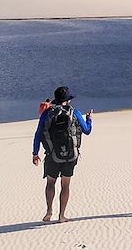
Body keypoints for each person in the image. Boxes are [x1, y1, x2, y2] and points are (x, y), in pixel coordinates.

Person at [32, 86, 93, 223]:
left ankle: (49, 211)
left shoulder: (47, 113)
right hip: (70, 155)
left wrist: (35, 153)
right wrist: (89, 119)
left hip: (52, 155)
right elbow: (87, 131)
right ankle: (62, 216)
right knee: (65, 185)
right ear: (68, 100)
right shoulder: (74, 112)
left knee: (50, 183)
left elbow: (38, 134)